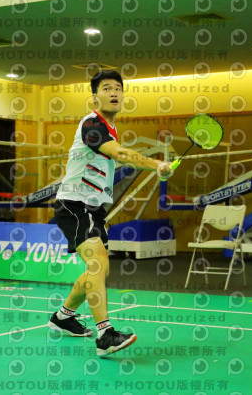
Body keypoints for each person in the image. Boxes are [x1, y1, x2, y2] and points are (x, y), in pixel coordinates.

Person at [47, 70, 174, 357]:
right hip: (75, 204)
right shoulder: (92, 125)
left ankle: (63, 317)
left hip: (92, 208)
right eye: (106, 88)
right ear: (95, 97)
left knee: (98, 269)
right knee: (98, 265)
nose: (114, 92)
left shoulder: (110, 128)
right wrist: (156, 164)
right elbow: (121, 154)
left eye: (118, 88)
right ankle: (105, 335)